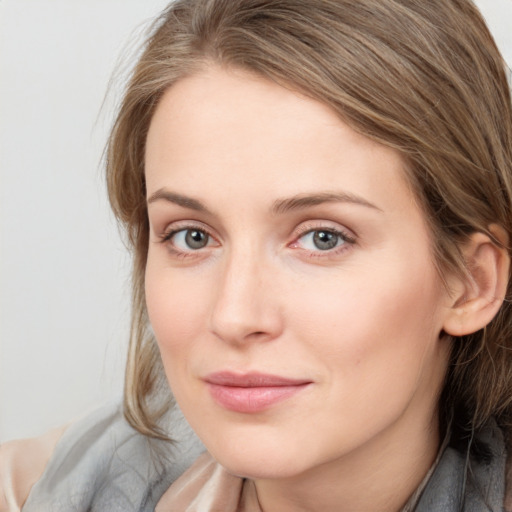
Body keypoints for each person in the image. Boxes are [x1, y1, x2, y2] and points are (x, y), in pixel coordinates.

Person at [2, 0, 512, 510]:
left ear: (471, 282)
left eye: (322, 238)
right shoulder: (70, 484)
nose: (234, 316)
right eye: (192, 236)